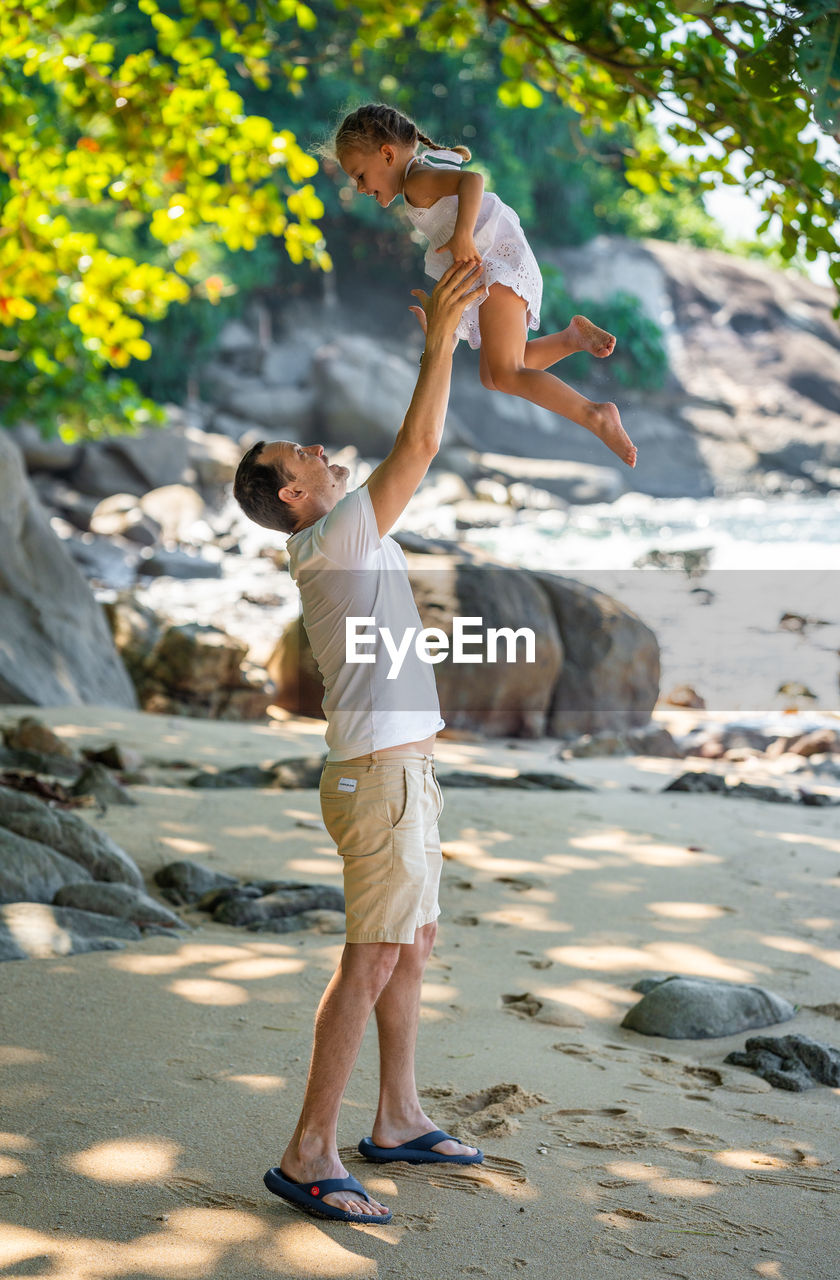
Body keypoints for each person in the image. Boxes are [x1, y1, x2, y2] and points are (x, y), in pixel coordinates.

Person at [232, 260, 487, 1226]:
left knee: (410, 945)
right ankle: (307, 1153)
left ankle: (398, 1117)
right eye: (302, 454)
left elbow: (409, 451)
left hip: (402, 770)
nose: (318, 449)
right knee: (373, 955)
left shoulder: (340, 533)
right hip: (377, 779)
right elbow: (419, 442)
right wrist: (441, 343)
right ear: (291, 496)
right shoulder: (333, 536)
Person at [333, 101, 637, 469]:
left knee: (507, 373)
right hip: (496, 258)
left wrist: (463, 235)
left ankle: (595, 414)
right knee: (495, 376)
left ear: (386, 154)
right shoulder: (419, 174)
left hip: (495, 259)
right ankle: (570, 339)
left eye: (360, 175)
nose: (360, 187)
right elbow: (455, 168)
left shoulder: (416, 180)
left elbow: (472, 180)